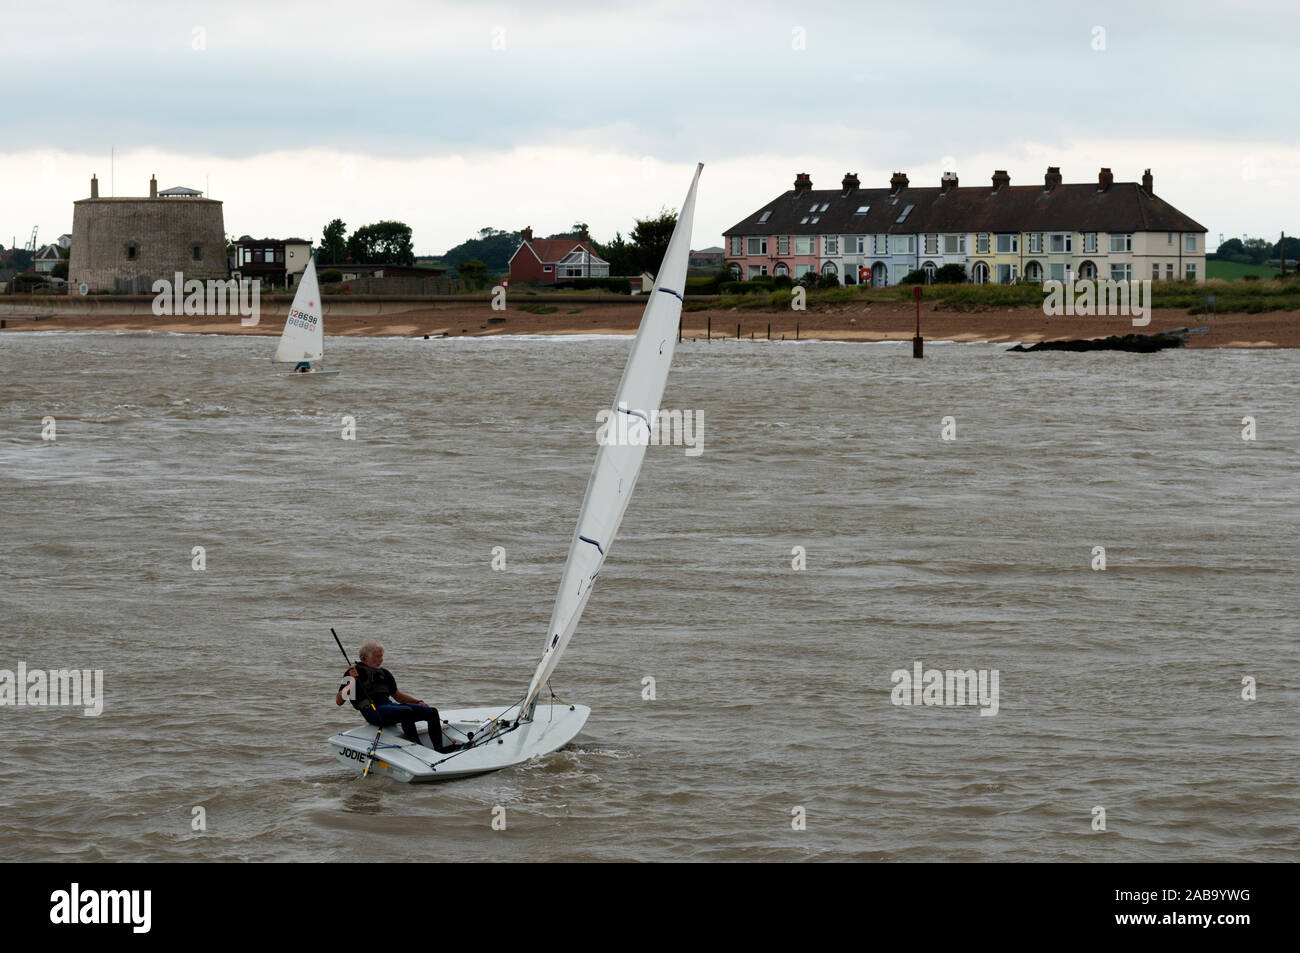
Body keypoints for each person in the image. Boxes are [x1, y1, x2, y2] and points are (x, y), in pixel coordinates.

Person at [334, 641, 462, 753]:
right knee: (405, 712)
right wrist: (352, 681)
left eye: (381, 656)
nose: (381, 659)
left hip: (390, 707)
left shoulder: (384, 673)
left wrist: (418, 701)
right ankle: (419, 748)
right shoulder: (352, 672)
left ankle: (439, 749)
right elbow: (339, 701)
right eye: (377, 656)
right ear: (366, 658)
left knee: (432, 712)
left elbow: (398, 696)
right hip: (373, 712)